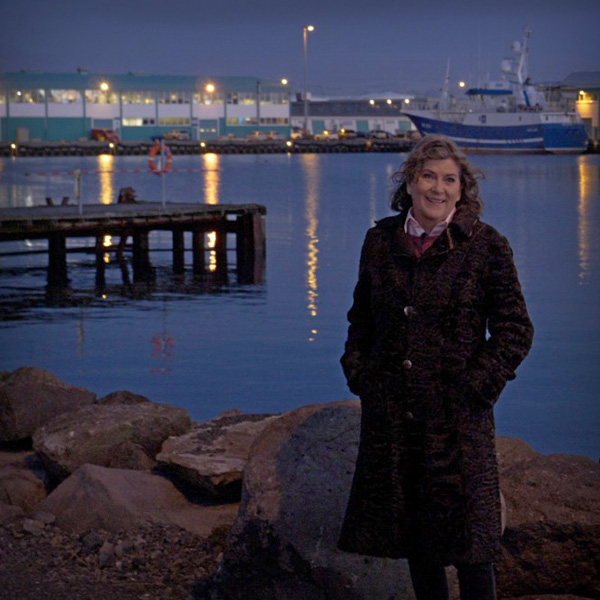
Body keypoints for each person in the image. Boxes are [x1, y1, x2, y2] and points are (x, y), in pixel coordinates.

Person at [337, 134, 534, 600]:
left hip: (457, 421)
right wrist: (361, 375)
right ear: (410, 182)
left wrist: (473, 390)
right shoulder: (379, 241)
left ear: (463, 190)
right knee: (417, 543)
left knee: (472, 548)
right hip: (395, 415)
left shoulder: (486, 246)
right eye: (429, 176)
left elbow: (515, 330)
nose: (438, 188)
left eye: (450, 180)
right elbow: (360, 320)